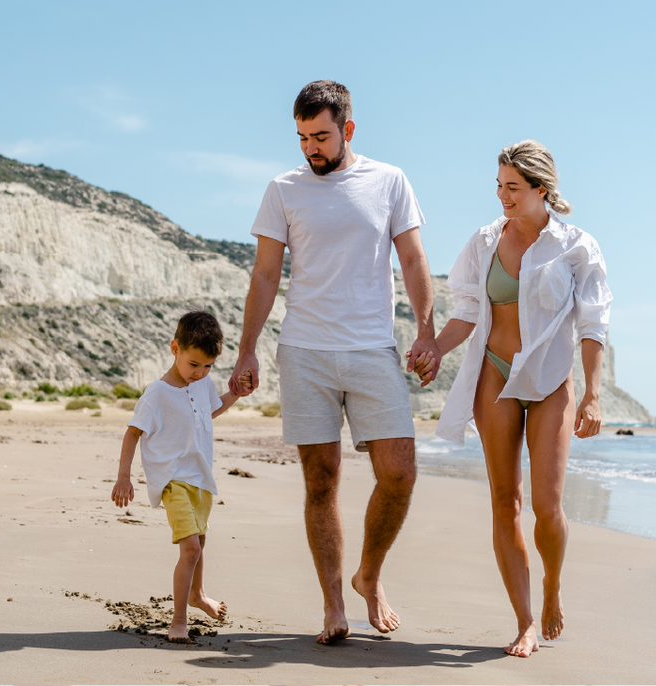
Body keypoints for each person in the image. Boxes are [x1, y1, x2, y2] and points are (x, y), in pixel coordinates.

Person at [230, 80, 438, 644]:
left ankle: (368, 574)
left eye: (320, 136)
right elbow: (266, 274)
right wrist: (248, 348)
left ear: (347, 129)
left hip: (373, 349)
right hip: (305, 352)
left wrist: (426, 332)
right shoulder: (283, 189)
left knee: (398, 473)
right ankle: (333, 606)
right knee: (321, 480)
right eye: (302, 137)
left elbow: (413, 258)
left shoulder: (389, 181)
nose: (310, 148)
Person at [424, 139, 610, 657]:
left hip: (550, 381)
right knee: (505, 502)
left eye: (513, 187)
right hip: (495, 376)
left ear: (541, 189)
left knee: (547, 506)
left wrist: (593, 395)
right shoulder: (485, 241)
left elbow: (593, 324)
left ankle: (552, 586)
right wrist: (434, 349)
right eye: (499, 185)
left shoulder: (576, 246)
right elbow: (466, 310)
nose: (502, 196)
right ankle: (525, 620)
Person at [111, 311, 252, 643]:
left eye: (208, 366)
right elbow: (132, 433)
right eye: (194, 364)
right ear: (175, 348)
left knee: (199, 543)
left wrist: (236, 394)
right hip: (172, 480)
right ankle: (178, 621)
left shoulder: (202, 384)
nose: (200, 373)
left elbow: (211, 410)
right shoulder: (157, 393)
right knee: (190, 548)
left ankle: (197, 594)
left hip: (201, 479)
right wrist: (123, 477)